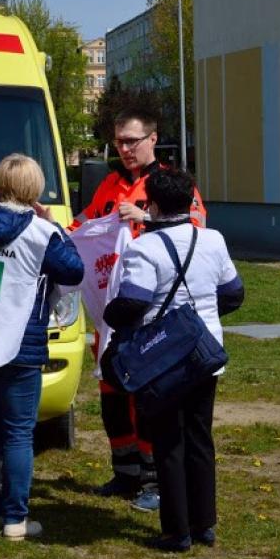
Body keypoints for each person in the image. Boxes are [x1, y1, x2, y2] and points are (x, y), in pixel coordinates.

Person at [71, 107, 206, 511]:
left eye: (132, 141)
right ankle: (125, 472)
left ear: (152, 138)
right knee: (112, 389)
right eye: (119, 142)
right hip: (113, 305)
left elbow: (195, 226)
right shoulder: (110, 184)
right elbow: (86, 224)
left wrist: (146, 218)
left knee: (147, 392)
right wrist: (55, 226)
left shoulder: (171, 183)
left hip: (154, 308)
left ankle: (153, 479)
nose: (125, 149)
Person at [0, 154, 84, 540]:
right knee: (19, 433)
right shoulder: (41, 233)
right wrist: (56, 226)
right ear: (33, 190)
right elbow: (74, 270)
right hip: (20, 343)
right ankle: (15, 519)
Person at [103, 168, 244, 551]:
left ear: (153, 204)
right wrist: (200, 316)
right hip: (205, 352)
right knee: (200, 437)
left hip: (163, 358)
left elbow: (132, 302)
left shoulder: (144, 248)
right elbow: (233, 294)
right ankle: (205, 525)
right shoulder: (212, 240)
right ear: (189, 201)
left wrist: (109, 313)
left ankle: (176, 530)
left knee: (169, 442)